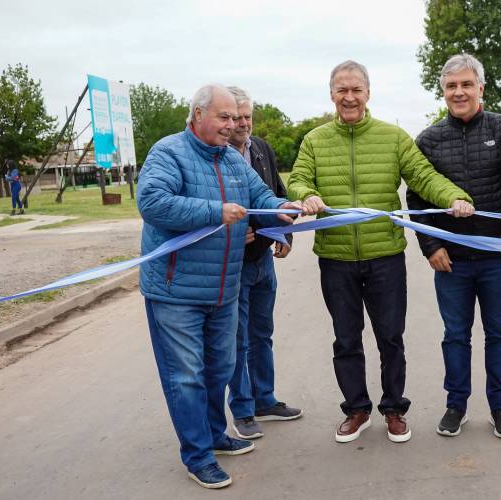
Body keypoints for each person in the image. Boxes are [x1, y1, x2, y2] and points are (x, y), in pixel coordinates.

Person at [288, 60, 475, 444]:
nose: (350, 97)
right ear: (332, 95)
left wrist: (454, 196)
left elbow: (423, 176)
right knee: (346, 338)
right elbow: (299, 177)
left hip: (385, 256)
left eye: (357, 89)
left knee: (391, 336)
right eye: (342, 90)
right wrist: (305, 194)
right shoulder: (314, 140)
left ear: (368, 93)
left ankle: (393, 409)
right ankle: (357, 409)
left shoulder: (393, 138)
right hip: (336, 258)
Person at [137, 84, 301, 489]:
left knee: (221, 367)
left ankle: (213, 434)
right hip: (176, 291)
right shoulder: (168, 152)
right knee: (187, 375)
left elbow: (260, 193)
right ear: (197, 115)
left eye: (235, 118)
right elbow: (152, 202)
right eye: (224, 117)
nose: (232, 126)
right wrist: (215, 212)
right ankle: (197, 455)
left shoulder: (231, 158)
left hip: (223, 289)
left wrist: (281, 209)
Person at [406, 54, 501, 439]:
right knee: (455, 335)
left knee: (500, 333)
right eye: (452, 86)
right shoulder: (429, 139)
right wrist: (431, 245)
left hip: (499, 255)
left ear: (480, 88)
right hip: (451, 259)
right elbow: (416, 201)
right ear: (443, 92)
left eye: (467, 84)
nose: (459, 92)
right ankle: (456, 405)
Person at [226, 86, 302, 441]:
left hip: (263, 263)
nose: (243, 124)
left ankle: (264, 399)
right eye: (236, 117)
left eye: (247, 117)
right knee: (237, 340)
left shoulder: (262, 150)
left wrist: (283, 235)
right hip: (232, 265)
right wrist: (226, 235)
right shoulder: (215, 156)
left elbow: (278, 196)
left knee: (262, 334)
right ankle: (242, 409)